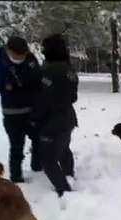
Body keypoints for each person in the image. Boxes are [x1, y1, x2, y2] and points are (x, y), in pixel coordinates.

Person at [0, 36, 42, 183]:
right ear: (8, 50)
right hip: (12, 112)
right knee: (16, 145)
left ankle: (37, 166)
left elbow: (40, 80)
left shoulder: (31, 60)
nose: (20, 57)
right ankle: (16, 176)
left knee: (38, 140)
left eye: (22, 54)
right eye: (16, 55)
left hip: (32, 111)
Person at [30, 33, 78, 200]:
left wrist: (35, 117)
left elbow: (42, 98)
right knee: (64, 148)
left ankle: (63, 189)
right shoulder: (69, 68)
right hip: (69, 118)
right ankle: (69, 174)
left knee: (47, 159)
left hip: (51, 121)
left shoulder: (46, 70)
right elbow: (73, 96)